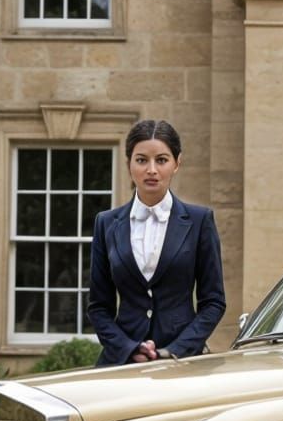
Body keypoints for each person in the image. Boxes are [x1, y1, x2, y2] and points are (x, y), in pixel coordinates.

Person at [88, 119, 226, 366]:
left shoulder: (199, 221)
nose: (151, 170)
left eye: (161, 160)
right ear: (129, 163)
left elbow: (213, 303)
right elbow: (99, 307)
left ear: (176, 163)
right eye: (142, 160)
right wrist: (129, 348)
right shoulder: (106, 223)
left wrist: (173, 351)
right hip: (121, 362)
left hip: (183, 361)